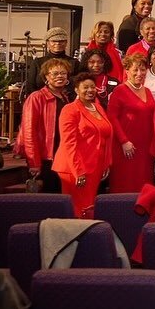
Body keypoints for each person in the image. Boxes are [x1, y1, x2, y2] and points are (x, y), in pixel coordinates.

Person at [52, 73, 114, 217]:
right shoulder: (70, 109)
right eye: (85, 87)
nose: (90, 90)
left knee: (89, 207)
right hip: (75, 168)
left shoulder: (98, 107)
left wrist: (106, 163)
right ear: (76, 90)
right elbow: (69, 143)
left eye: (92, 87)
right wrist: (78, 170)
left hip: (95, 166)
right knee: (78, 210)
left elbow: (106, 136)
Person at [20, 58, 73, 193]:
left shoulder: (65, 98)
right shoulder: (36, 97)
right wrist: (34, 163)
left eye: (63, 73)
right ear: (46, 77)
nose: (60, 76)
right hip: (45, 158)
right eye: (55, 73)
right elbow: (28, 132)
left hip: (62, 155)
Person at [107, 53, 155, 193]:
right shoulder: (119, 91)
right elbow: (112, 117)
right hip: (127, 147)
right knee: (125, 183)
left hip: (146, 147)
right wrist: (124, 141)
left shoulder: (147, 91)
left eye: (142, 69)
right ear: (127, 71)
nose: (139, 73)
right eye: (135, 70)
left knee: (144, 183)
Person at [24, 27, 79, 97]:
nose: (58, 43)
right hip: (41, 102)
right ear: (48, 43)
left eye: (61, 41)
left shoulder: (74, 63)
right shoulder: (37, 62)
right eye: (54, 41)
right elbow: (30, 86)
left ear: (66, 43)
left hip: (67, 101)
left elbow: (78, 85)